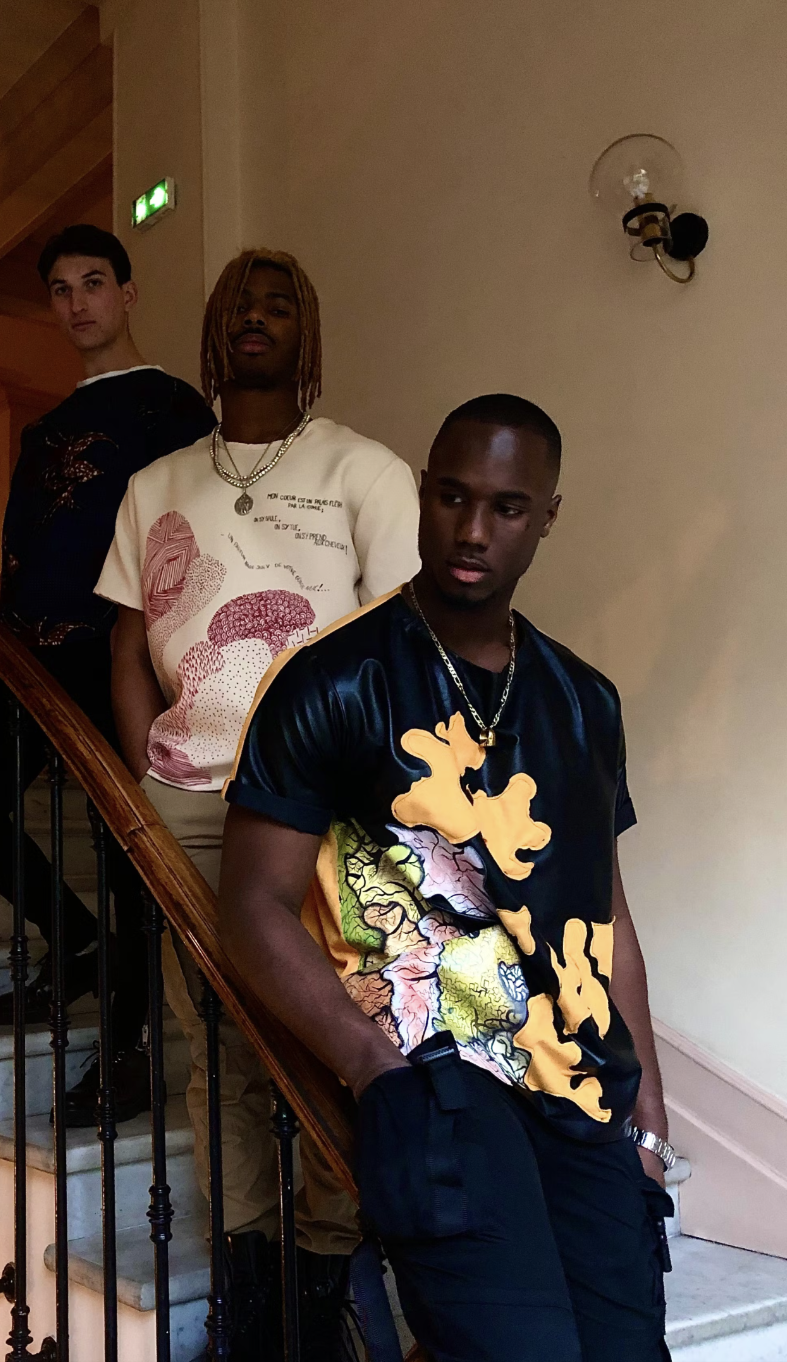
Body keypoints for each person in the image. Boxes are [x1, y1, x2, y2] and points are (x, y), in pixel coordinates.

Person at [220, 393, 675, 1362]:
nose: (473, 531)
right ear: (423, 494)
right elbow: (252, 909)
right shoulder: (332, 681)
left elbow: (607, 912)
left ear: (547, 517)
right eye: (453, 498)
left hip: (581, 1084)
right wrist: (371, 1066)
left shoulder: (585, 702)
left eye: (507, 508)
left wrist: (648, 1106)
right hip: (439, 1080)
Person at [94, 248, 421, 1356]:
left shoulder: (364, 469)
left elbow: (399, 646)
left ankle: (322, 1269)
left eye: (279, 304)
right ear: (211, 330)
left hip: (319, 807)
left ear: (307, 333)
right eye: (239, 303)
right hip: (186, 801)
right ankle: (246, 1275)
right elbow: (129, 643)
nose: (256, 317)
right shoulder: (156, 485)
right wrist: (143, 776)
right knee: (214, 1039)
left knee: (329, 1029)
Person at [0, 225, 216, 1126]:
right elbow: (26, 547)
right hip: (15, 651)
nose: (77, 302)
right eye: (60, 289)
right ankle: (79, 940)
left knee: (128, 853)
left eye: (94, 282)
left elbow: (193, 539)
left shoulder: (171, 408)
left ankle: (128, 1054)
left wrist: (167, 662)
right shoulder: (46, 427)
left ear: (127, 293)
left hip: (111, 654)